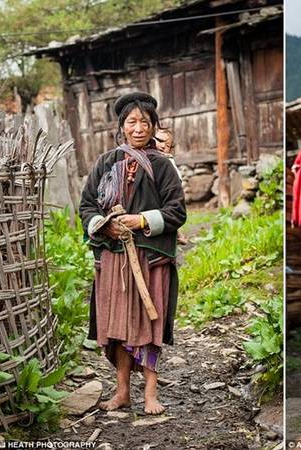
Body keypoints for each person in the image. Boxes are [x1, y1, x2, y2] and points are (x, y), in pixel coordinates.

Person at [79, 92, 187, 415]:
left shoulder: (162, 166)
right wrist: (104, 226)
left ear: (154, 126)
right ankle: (122, 391)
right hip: (114, 259)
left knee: (149, 326)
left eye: (144, 122)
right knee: (120, 326)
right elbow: (86, 206)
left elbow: (177, 212)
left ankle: (151, 393)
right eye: (132, 122)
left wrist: (141, 220)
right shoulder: (106, 163)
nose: (138, 128)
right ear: (122, 127)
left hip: (150, 259)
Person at [154, 127, 187, 245]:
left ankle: (177, 233)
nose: (163, 146)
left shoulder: (168, 160)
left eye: (167, 145)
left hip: (168, 190)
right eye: (160, 141)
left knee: (169, 210)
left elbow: (177, 179)